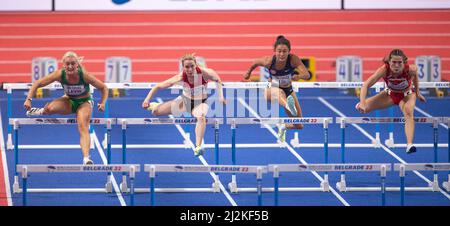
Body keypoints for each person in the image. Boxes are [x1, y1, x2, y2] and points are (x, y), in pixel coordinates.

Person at [23, 51, 109, 164]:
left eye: (73, 63)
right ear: (63, 64)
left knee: (83, 126)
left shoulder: (84, 75)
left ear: (77, 64)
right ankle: (39, 111)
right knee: (49, 109)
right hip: (69, 100)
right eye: (67, 64)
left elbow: (104, 88)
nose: (70, 66)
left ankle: (86, 158)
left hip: (84, 102)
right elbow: (38, 83)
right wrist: (28, 99)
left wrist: (102, 103)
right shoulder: (59, 74)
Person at [142, 53, 226, 156]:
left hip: (200, 103)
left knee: (201, 117)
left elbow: (218, 80)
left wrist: (220, 97)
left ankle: (198, 147)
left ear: (196, 65)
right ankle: (155, 106)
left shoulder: (205, 73)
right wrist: (147, 100)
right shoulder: (181, 76)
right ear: (183, 67)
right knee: (155, 112)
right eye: (187, 67)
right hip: (185, 101)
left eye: (192, 66)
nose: (190, 69)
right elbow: (158, 86)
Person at [356, 49, 426, 154]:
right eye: (394, 62)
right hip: (389, 95)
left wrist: (418, 92)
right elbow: (366, 84)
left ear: (404, 62)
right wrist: (362, 102)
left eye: (399, 63)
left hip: (407, 96)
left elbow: (415, 76)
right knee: (363, 108)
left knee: (408, 112)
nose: (396, 65)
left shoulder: (411, 69)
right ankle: (363, 104)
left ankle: (409, 144)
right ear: (389, 62)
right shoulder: (384, 70)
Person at [243, 35, 311, 142]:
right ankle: (288, 105)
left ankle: (283, 126)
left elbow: (307, 75)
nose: (282, 54)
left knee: (299, 125)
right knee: (279, 93)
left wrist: (299, 76)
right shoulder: (269, 61)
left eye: (285, 51)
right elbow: (255, 62)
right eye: (279, 51)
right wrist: (248, 73)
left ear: (289, 51)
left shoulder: (293, 59)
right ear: (275, 51)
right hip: (271, 88)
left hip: (288, 88)